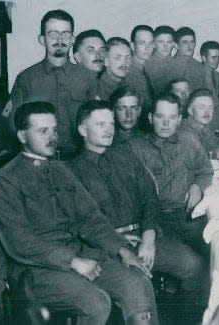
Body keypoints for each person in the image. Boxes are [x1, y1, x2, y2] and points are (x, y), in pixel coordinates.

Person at [0, 101, 157, 325]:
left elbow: (90, 219)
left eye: (54, 129)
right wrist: (73, 261)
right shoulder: (5, 181)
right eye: (42, 131)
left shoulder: (60, 170)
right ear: (21, 136)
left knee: (137, 282)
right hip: (36, 271)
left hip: (81, 255)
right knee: (97, 302)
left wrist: (122, 249)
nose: (52, 136)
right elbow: (20, 242)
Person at [70, 100, 208, 323]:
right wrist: (117, 242)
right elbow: (79, 223)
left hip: (144, 239)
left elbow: (149, 198)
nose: (109, 129)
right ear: (83, 130)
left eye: (111, 123)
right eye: (100, 124)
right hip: (106, 249)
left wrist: (149, 237)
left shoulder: (125, 157)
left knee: (196, 267)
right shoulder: (71, 172)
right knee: (139, 284)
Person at [0, 9, 99, 167]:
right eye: (53, 34)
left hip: (78, 163)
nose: (60, 39)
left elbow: (98, 121)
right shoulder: (26, 79)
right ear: (42, 39)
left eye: (65, 34)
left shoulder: (87, 78)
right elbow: (6, 122)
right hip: (38, 165)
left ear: (72, 39)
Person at [127, 94, 213, 257]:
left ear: (180, 119)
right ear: (151, 118)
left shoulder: (189, 140)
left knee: (216, 250)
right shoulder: (135, 148)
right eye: (160, 117)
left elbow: (205, 170)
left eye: (172, 117)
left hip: (188, 216)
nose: (166, 123)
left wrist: (197, 186)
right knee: (190, 262)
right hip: (157, 222)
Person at [178, 89, 217, 156]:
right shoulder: (185, 131)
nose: (207, 112)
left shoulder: (205, 126)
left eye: (210, 108)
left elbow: (212, 148)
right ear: (190, 111)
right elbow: (196, 158)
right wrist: (215, 154)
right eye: (202, 108)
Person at [127, 25, 155, 114]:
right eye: (142, 43)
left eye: (150, 43)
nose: (147, 47)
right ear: (132, 45)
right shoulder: (129, 72)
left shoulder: (143, 68)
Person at [144, 25, 176, 95]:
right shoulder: (146, 64)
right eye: (161, 42)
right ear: (154, 44)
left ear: (173, 44)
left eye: (169, 42)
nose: (165, 46)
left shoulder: (177, 64)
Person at [171, 27, 205, 91]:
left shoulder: (200, 67)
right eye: (185, 42)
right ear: (176, 45)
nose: (189, 46)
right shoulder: (169, 66)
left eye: (192, 42)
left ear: (195, 44)